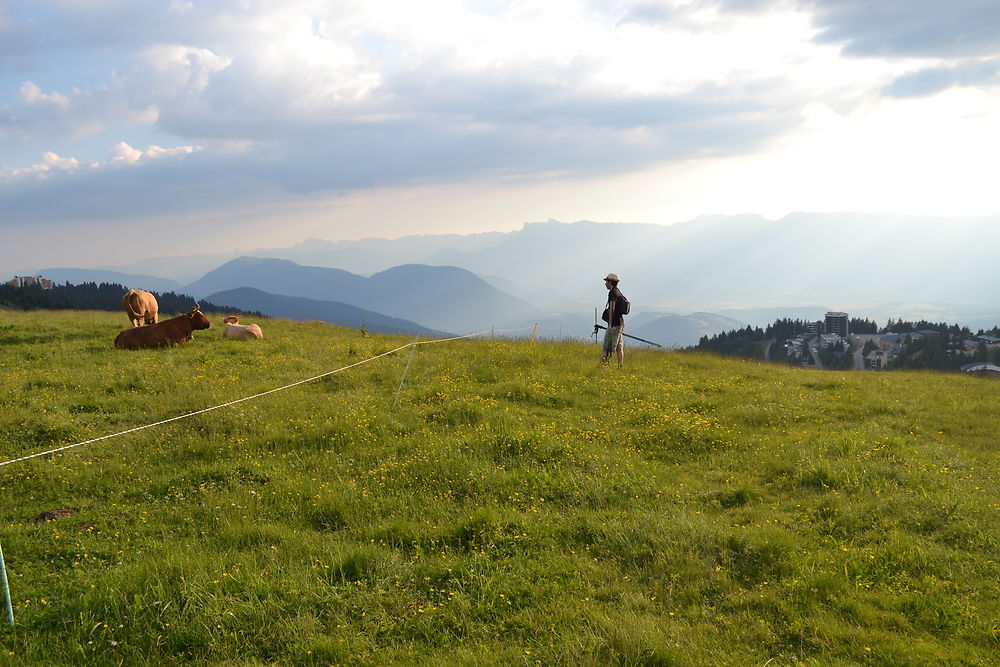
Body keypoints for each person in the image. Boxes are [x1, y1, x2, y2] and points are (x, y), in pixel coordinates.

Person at [601, 273, 625, 367]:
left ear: (610, 282)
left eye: (606, 281)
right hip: (620, 323)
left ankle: (602, 366)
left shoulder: (612, 293)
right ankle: (620, 366)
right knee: (619, 347)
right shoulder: (618, 291)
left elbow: (612, 309)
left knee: (607, 347)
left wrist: (610, 326)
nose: (605, 283)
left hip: (614, 325)